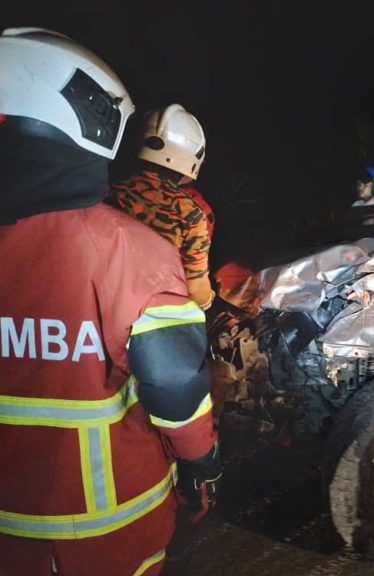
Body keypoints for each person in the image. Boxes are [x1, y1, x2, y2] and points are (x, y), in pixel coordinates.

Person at [0, 28, 220, 576]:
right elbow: (175, 377)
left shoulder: (119, 192)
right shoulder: (166, 230)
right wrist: (203, 462)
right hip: (105, 527)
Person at [109, 103, 216, 311]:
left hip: (102, 296)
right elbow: (196, 287)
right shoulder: (189, 214)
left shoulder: (110, 186)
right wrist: (207, 301)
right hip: (146, 311)